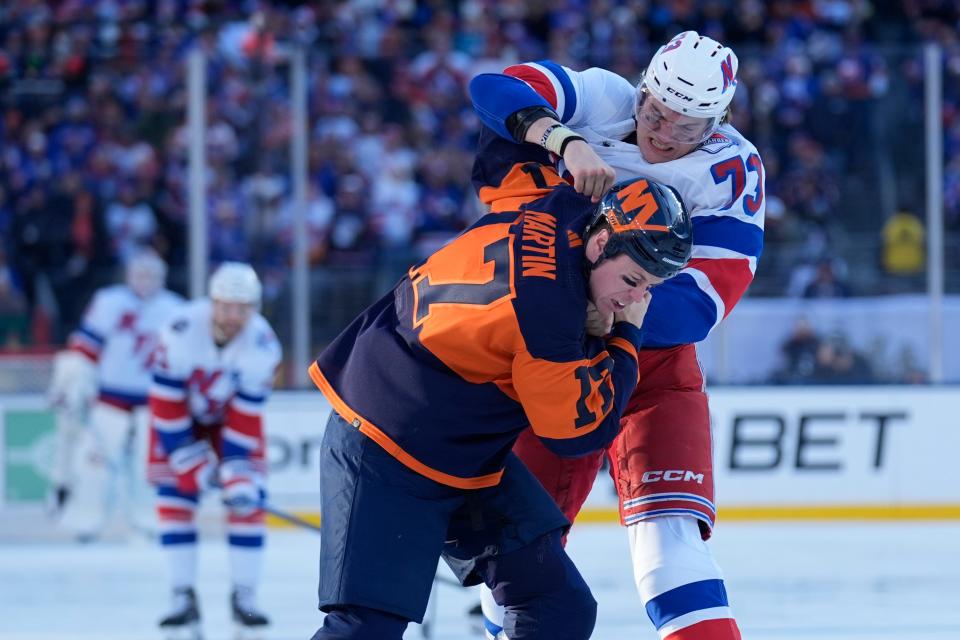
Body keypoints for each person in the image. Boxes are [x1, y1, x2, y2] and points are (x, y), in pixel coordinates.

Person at [306, 165, 694, 639]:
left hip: (458, 446)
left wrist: (562, 142)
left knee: (559, 606)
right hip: (384, 438)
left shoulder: (561, 204)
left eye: (648, 288)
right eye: (632, 280)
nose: (636, 299)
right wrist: (625, 338)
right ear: (599, 245)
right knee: (364, 627)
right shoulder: (548, 317)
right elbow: (579, 433)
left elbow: (500, 127)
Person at [469, 30, 766, 639]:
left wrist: (593, 313)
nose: (660, 133)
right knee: (517, 561)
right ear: (644, 90)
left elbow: (704, 302)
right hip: (556, 360)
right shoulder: (603, 97)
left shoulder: (734, 169)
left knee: (671, 552)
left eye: (685, 128)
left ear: (718, 121)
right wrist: (564, 138)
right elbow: (491, 90)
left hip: (647, 361)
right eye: (656, 111)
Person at [146, 262, 281, 638]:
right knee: (174, 500)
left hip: (229, 424)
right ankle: (181, 596)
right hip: (178, 421)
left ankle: (245, 596)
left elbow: (247, 412)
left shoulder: (264, 344)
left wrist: (236, 468)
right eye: (225, 306)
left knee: (247, 501)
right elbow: (165, 399)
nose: (232, 316)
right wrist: (186, 457)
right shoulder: (180, 330)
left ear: (253, 308)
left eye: (241, 308)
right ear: (213, 301)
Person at [47, 248, 184, 540]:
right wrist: (68, 384)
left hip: (154, 402)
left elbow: (185, 361)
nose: (145, 280)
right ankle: (86, 521)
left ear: (162, 277)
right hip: (110, 399)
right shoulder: (109, 302)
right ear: (129, 275)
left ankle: (151, 522)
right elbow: (84, 350)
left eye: (152, 274)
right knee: (94, 463)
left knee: (152, 469)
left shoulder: (175, 309)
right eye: (140, 273)